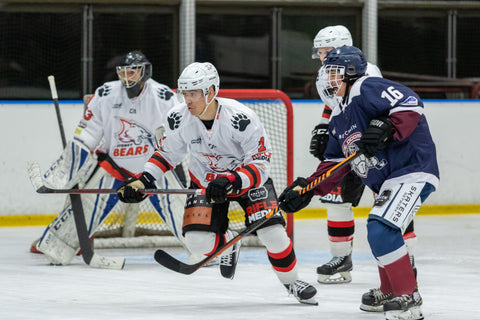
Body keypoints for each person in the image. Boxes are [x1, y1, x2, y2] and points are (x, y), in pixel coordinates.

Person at [117, 62, 318, 305]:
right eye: (185, 94)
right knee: (196, 242)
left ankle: (292, 282)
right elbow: (167, 154)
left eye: (193, 94)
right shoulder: (178, 117)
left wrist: (232, 180)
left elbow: (261, 162)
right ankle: (229, 246)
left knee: (273, 233)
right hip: (206, 182)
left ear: (211, 92)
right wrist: (143, 180)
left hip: (248, 182)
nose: (187, 100)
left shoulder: (241, 118)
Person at [279, 46, 439, 319]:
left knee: (381, 228)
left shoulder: (365, 87)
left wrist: (387, 126)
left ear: (350, 72)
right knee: (378, 230)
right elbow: (333, 164)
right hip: (388, 181)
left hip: (411, 169)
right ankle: (389, 290)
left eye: (332, 72)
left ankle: (408, 297)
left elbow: (410, 102)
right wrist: (306, 189)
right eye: (325, 72)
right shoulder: (339, 117)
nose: (327, 79)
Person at [33, 50, 187, 265]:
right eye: (123, 73)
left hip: (154, 170)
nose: (127, 78)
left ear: (145, 72)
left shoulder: (164, 97)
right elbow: (87, 135)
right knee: (87, 207)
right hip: (115, 167)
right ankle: (57, 246)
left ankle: (208, 248)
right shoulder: (106, 94)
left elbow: (179, 134)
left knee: (182, 213)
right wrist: (65, 172)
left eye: (133, 72)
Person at [310, 25, 418, 291]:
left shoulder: (366, 72)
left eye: (327, 51)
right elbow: (335, 105)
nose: (322, 56)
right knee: (336, 199)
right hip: (350, 145)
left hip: (377, 148)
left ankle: (408, 258)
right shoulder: (329, 73)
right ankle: (341, 258)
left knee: (391, 204)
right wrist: (325, 127)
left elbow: (385, 108)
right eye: (320, 52)